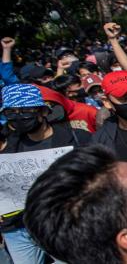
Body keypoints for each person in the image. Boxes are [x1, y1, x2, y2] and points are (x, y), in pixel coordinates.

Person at [0, 84, 91, 264]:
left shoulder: (78, 139)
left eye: (25, 111)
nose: (19, 117)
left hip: (63, 225)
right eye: (11, 113)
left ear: (42, 112)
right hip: (19, 230)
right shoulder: (8, 148)